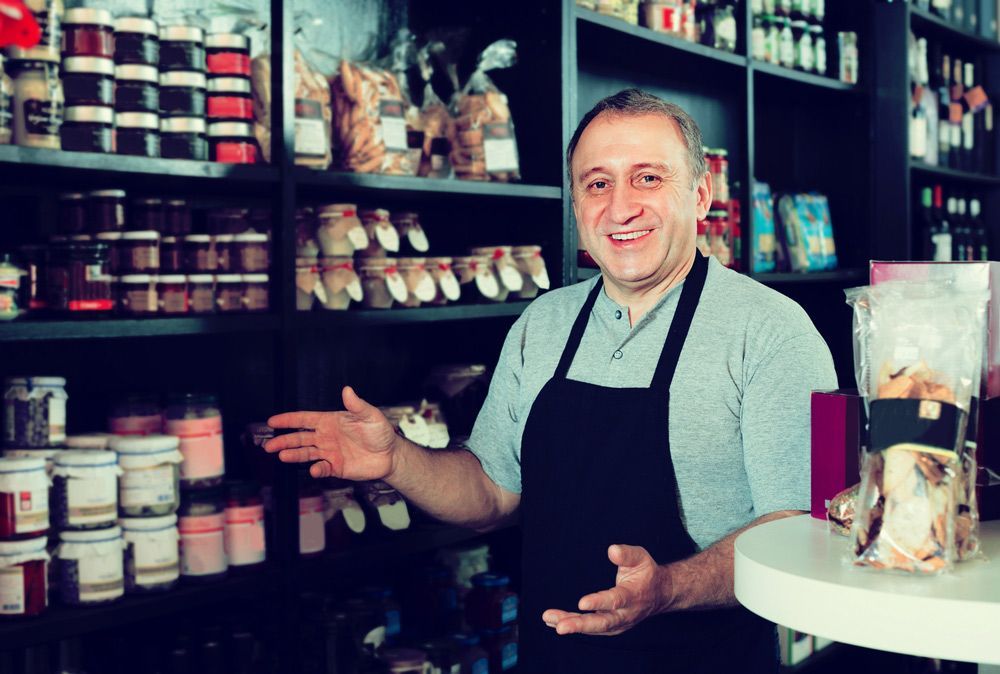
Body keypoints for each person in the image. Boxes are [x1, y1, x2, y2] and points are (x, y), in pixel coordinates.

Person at [264, 88, 837, 673]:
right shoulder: (543, 324)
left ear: (700, 195)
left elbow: (797, 531)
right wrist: (397, 460)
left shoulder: (770, 331)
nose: (620, 208)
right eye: (597, 184)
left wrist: (667, 586)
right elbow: (491, 494)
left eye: (647, 179)